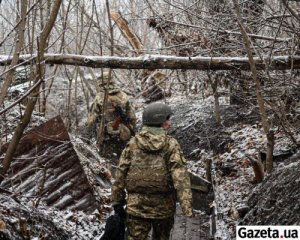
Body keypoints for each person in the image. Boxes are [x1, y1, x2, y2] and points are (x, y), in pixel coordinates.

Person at [111, 102, 193, 240]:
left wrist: (117, 201)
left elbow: (120, 174)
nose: (169, 122)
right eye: (167, 119)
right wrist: (187, 206)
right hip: (163, 208)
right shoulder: (171, 144)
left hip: (136, 208)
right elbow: (180, 176)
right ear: (161, 121)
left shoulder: (132, 144)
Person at [87, 72, 136, 162]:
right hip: (123, 134)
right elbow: (132, 117)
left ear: (101, 83)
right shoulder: (124, 95)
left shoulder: (99, 97)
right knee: (125, 159)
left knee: (108, 162)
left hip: (107, 137)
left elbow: (92, 120)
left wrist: (88, 136)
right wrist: (133, 131)